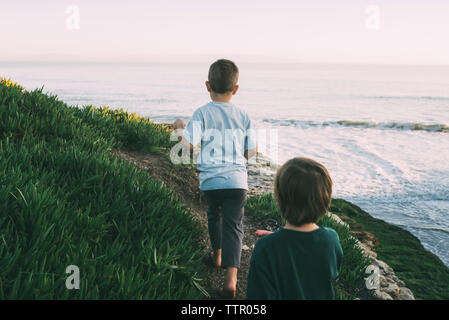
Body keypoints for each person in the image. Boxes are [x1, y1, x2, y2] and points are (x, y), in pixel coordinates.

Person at [173, 59, 257, 298]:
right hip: (236, 182)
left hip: (210, 182)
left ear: (207, 85)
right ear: (236, 89)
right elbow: (252, 152)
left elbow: (188, 146)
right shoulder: (243, 115)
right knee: (234, 227)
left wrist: (180, 128)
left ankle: (217, 255)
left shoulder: (201, 113)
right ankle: (231, 281)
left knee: (214, 215)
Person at [246, 157, 343, 300]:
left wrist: (277, 241)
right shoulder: (331, 240)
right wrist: (283, 241)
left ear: (277, 198)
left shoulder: (266, 248)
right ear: (325, 201)